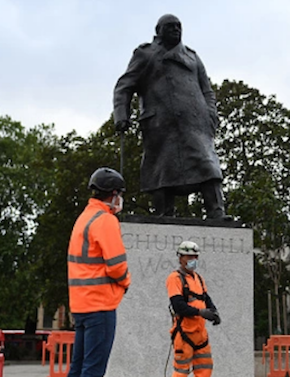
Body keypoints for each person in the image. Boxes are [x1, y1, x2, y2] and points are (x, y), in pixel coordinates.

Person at [113, 14, 230, 220]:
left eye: (178, 26)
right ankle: (163, 214)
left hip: (196, 124)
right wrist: (122, 114)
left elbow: (207, 90)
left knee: (208, 165)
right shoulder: (145, 55)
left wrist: (210, 115)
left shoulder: (193, 57)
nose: (176, 30)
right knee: (162, 170)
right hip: (160, 125)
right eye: (170, 27)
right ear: (159, 31)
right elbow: (124, 86)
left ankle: (217, 212)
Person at [67, 167, 131, 377]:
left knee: (78, 368)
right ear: (113, 194)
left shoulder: (84, 218)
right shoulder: (105, 220)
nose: (120, 199)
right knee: (94, 369)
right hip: (100, 305)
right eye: (120, 194)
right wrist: (126, 282)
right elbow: (117, 266)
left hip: (81, 305)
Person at [166, 241, 221, 376]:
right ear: (180, 258)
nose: (193, 260)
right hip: (184, 333)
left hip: (201, 335)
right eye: (189, 257)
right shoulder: (175, 278)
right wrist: (200, 312)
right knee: (181, 372)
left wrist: (214, 312)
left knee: (205, 369)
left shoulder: (198, 278)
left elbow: (206, 298)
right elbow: (178, 306)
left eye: (195, 257)